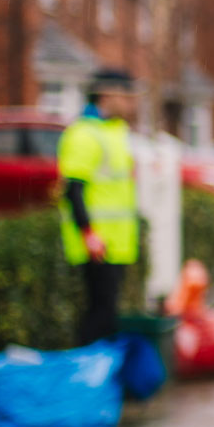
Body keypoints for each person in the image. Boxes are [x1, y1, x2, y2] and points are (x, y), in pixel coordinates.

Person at [59, 69, 140, 346]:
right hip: (97, 245)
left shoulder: (115, 132)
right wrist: (89, 234)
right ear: (107, 95)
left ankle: (99, 377)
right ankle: (88, 377)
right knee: (99, 315)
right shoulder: (84, 134)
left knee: (107, 315)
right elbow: (73, 189)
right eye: (127, 96)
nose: (133, 103)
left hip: (116, 244)